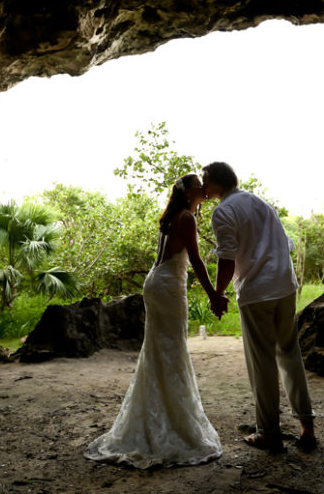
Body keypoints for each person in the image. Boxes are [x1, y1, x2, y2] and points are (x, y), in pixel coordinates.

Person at [84, 174, 226, 468]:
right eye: (199, 185)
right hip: (167, 287)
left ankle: (157, 415)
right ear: (188, 192)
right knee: (171, 350)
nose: (204, 189)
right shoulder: (186, 217)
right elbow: (197, 261)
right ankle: (171, 423)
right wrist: (214, 294)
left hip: (158, 282)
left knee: (159, 350)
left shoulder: (174, 216)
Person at [201, 161, 317, 454]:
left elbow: (227, 257)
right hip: (285, 286)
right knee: (290, 354)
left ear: (216, 183)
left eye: (205, 180)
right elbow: (283, 243)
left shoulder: (223, 210)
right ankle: (307, 427)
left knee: (262, 363)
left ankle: (269, 434)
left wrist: (218, 293)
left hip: (257, 291)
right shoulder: (259, 202)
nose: (203, 186)